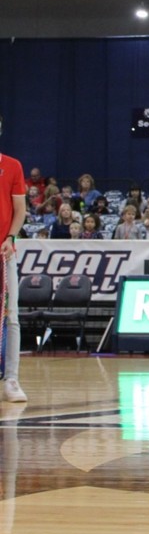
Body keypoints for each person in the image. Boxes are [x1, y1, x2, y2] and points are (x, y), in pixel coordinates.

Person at [0, 114, 29, 403]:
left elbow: (19, 209)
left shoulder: (11, 165)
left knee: (12, 316)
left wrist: (10, 237)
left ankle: (11, 380)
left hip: (4, 253)